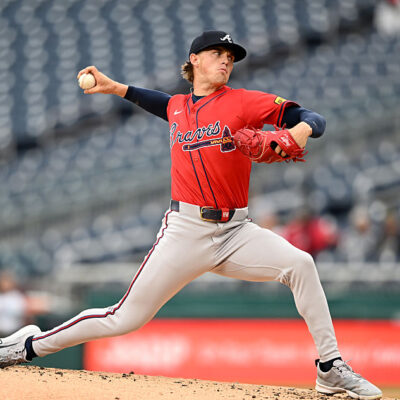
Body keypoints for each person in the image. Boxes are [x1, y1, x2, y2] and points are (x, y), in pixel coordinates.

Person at [0, 31, 381, 399]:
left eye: (231, 57)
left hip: (237, 231)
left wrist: (299, 130)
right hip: (185, 231)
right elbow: (157, 101)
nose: (226, 61)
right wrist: (116, 88)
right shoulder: (177, 107)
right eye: (219, 54)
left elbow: (311, 116)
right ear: (194, 60)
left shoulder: (244, 102)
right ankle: (27, 346)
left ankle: (330, 368)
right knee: (124, 317)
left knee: (300, 264)